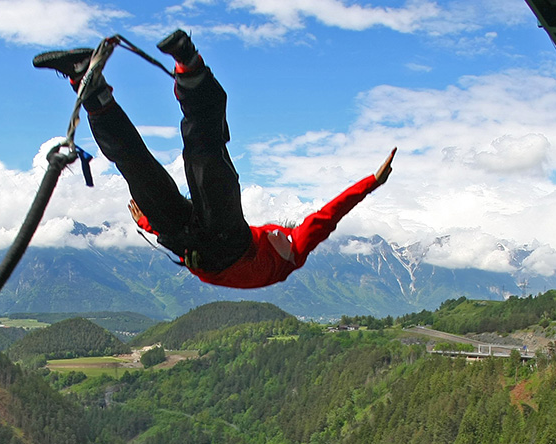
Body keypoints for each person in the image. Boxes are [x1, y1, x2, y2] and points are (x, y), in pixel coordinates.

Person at [34, 30, 396, 289]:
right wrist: (371, 183)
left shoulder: (293, 248)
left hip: (208, 245)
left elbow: (327, 216)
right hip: (204, 246)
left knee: (170, 166)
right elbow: (327, 216)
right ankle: (182, 68)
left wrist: (149, 223)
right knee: (185, 165)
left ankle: (93, 84)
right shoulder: (285, 245)